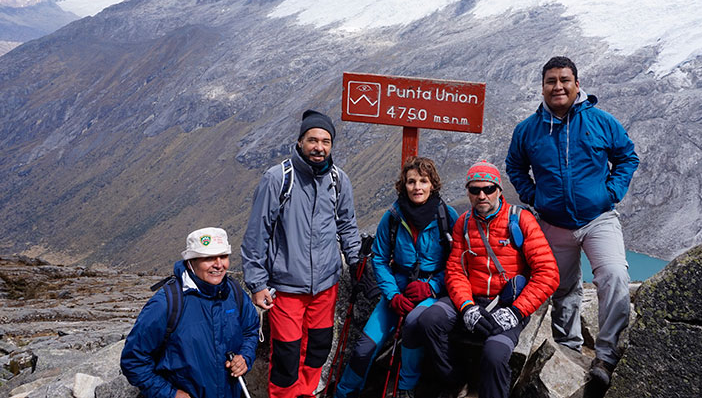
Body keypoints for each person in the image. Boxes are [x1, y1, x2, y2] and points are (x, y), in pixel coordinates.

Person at [505, 56, 640, 386]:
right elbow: (514, 167)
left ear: (577, 84)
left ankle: (606, 357)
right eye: (551, 81)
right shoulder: (528, 130)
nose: (558, 86)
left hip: (598, 219)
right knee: (561, 288)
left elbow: (627, 157)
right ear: (543, 87)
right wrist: (535, 197)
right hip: (553, 223)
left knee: (614, 276)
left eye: (564, 80)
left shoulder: (600, 122)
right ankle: (568, 350)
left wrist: (610, 193)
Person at [241, 109, 362, 398]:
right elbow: (257, 234)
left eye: (325, 141)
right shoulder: (278, 179)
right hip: (286, 287)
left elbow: (347, 225)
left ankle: (306, 394)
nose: (319, 147)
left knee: (317, 350)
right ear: (299, 142)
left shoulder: (338, 179)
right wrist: (257, 284)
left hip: (326, 285)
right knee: (286, 356)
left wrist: (356, 262)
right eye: (312, 140)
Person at [420, 161, 559, 398]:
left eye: (488, 189)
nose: (481, 195)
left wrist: (515, 312)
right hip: (472, 299)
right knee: (430, 320)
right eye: (474, 190)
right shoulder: (463, 223)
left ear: (499, 190)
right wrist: (467, 307)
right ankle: (455, 381)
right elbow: (455, 271)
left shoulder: (521, 220)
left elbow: (548, 273)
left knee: (495, 353)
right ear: (468, 192)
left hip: (508, 305)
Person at [335, 156, 459, 398]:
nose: (417, 187)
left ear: (432, 184)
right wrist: (392, 295)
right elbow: (379, 258)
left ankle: (405, 388)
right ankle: (344, 393)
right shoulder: (392, 216)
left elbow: (457, 261)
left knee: (413, 325)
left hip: (429, 290)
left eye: (423, 181)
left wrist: (433, 286)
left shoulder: (447, 216)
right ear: (404, 185)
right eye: (411, 182)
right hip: (399, 288)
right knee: (364, 348)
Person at [121, 227, 259, 398]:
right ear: (190, 262)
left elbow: (250, 330)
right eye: (208, 258)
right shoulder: (167, 303)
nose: (219, 264)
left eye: (223, 256)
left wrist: (245, 357)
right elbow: (133, 360)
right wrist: (169, 394)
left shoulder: (235, 293)